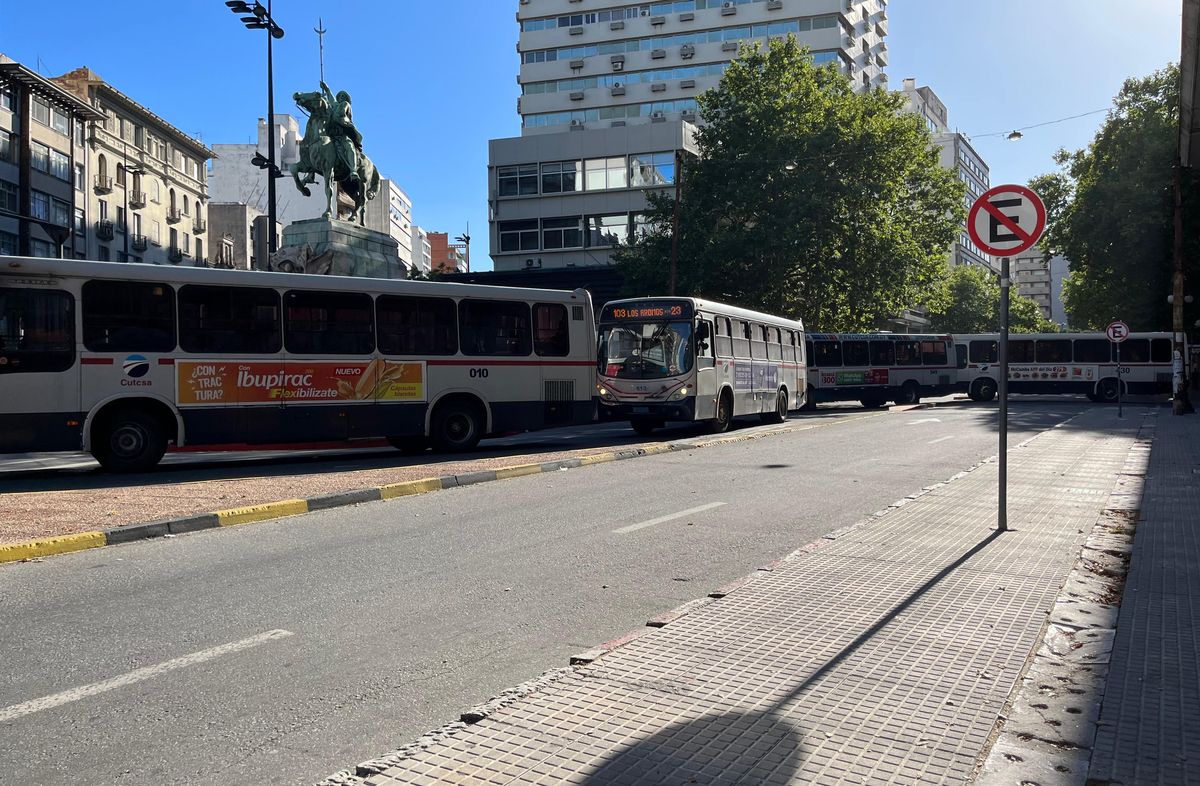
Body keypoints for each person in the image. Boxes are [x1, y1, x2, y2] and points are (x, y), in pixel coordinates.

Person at [319, 81, 363, 180]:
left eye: (343, 96)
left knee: (349, 146)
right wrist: (326, 89)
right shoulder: (335, 106)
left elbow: (341, 113)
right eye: (340, 96)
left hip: (343, 134)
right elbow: (331, 98)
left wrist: (335, 113)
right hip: (332, 135)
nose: (341, 97)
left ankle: (353, 170)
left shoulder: (345, 105)